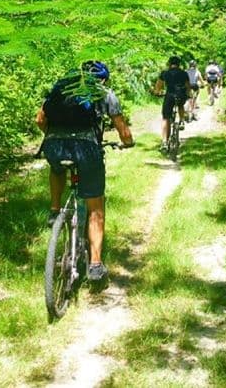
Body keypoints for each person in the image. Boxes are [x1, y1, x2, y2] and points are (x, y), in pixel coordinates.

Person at [35, 60, 134, 287]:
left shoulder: (62, 89)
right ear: (103, 79)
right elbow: (122, 129)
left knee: (57, 167)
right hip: (86, 149)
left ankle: (54, 210)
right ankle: (96, 265)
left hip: (54, 145)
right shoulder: (105, 93)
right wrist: (128, 143)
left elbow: (40, 120)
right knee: (95, 207)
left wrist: (54, 135)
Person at [152, 56, 192, 153]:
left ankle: (165, 142)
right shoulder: (184, 73)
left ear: (169, 64)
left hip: (169, 96)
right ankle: (182, 120)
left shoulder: (165, 73)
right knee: (180, 105)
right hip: (180, 95)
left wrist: (157, 92)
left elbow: (158, 85)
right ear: (179, 64)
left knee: (166, 118)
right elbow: (188, 86)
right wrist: (188, 93)